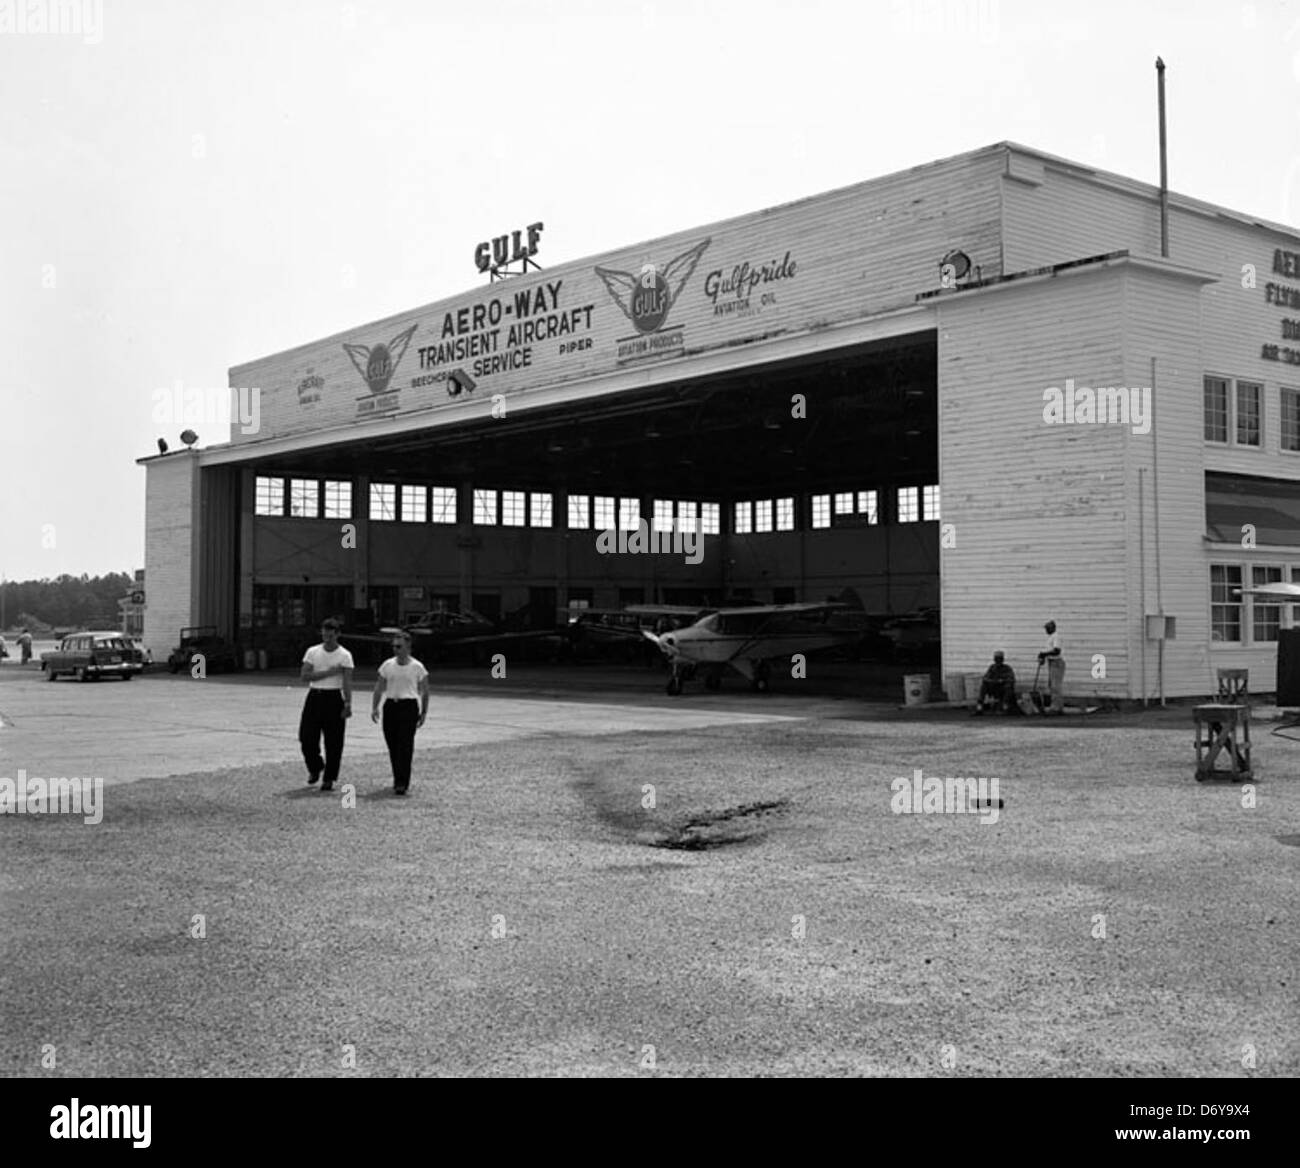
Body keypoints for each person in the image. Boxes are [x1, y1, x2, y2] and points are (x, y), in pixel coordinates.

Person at [371, 629, 429, 796]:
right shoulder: (387, 665)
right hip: (391, 706)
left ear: (408, 647)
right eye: (394, 646)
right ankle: (397, 776)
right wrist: (374, 707)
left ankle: (402, 782)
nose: (396, 649)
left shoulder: (417, 667)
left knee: (405, 744)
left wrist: (424, 711)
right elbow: (379, 687)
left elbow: (425, 691)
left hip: (408, 706)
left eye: (399, 646)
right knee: (393, 745)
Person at [299, 618, 354, 791]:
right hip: (315, 695)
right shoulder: (312, 652)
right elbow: (305, 676)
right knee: (306, 737)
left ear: (337, 635)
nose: (327, 638)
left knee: (334, 741)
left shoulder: (345, 655)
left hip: (334, 697)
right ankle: (315, 767)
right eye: (324, 635)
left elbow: (346, 681)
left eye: (330, 636)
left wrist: (348, 703)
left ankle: (329, 777)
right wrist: (329, 672)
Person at [973, 650, 1019, 714]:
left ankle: (1005, 706)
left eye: (999, 659)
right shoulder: (992, 668)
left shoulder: (1007, 668)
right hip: (994, 687)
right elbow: (985, 678)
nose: (998, 661)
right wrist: (992, 681)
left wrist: (1003, 680)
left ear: (1002, 660)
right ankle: (979, 706)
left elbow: (1011, 679)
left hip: (1003, 688)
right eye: (997, 659)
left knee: (1008, 687)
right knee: (984, 686)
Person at [1038, 619, 1065, 713]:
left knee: (1055, 686)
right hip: (1052, 662)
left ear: (1052, 628)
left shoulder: (1056, 637)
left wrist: (1044, 654)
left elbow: (1057, 651)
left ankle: (1056, 707)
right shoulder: (1051, 637)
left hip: (1056, 662)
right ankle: (1057, 705)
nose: (1046, 630)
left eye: (1047, 628)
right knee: (1052, 685)